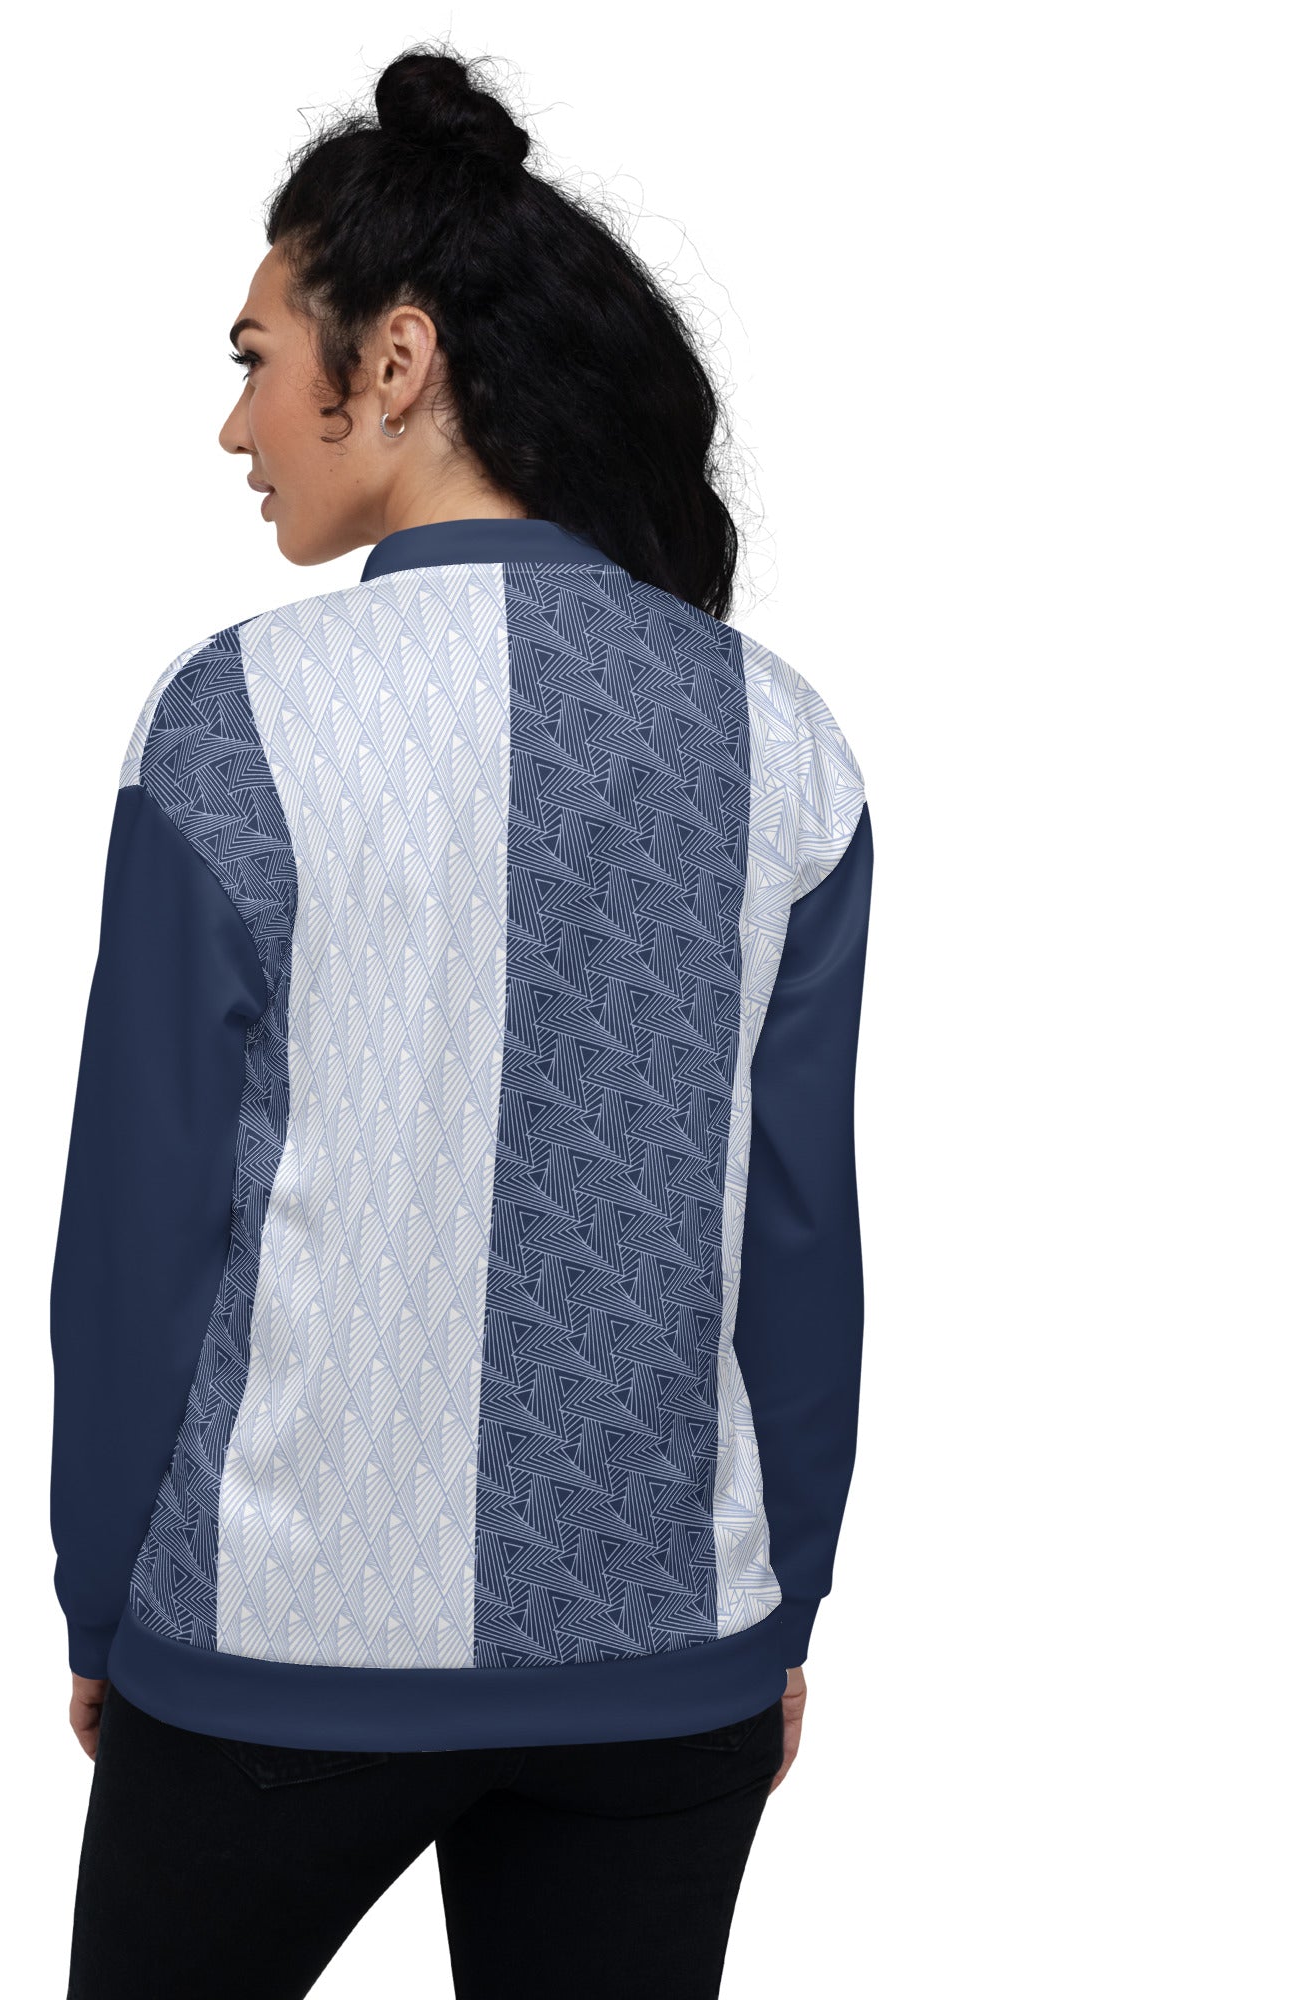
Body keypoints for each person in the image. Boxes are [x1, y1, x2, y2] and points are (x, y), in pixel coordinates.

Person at [48, 44, 874, 2000]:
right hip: (663, 1673)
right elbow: (799, 1247)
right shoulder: (784, 745)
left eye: (258, 359)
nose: (238, 423)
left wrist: (101, 1592)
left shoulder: (236, 719)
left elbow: (142, 1226)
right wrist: (778, 1610)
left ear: (395, 359)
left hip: (274, 1655)